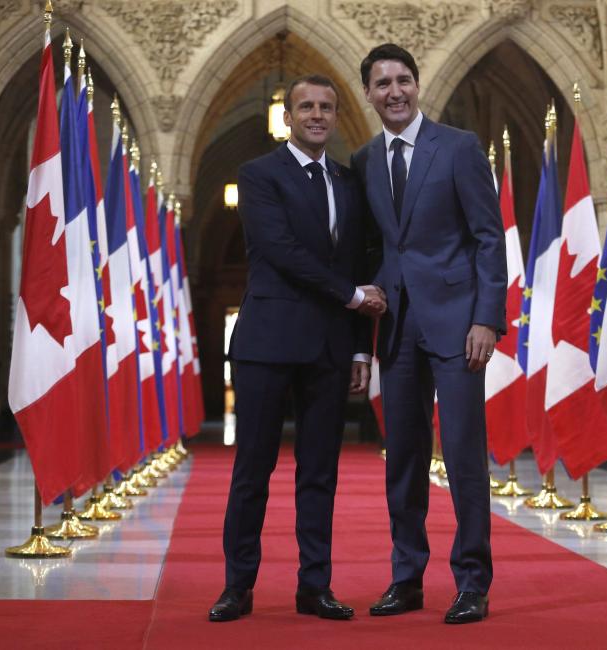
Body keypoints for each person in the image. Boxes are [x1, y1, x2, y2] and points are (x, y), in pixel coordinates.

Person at [210, 74, 386, 623]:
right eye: (306, 106)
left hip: (330, 348)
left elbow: (362, 261)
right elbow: (279, 249)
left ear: (336, 116)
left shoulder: (350, 183)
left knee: (320, 474)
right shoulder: (258, 175)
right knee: (252, 471)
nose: (316, 115)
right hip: (267, 341)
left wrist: (361, 350)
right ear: (288, 117)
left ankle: (315, 587)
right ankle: (237, 588)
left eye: (326, 107)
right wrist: (353, 295)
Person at [351, 44, 507, 624]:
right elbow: (370, 248)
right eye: (382, 83)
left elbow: (489, 238)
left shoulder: (459, 148)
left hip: (458, 324)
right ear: (367, 93)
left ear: (417, 86)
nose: (394, 92)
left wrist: (486, 318)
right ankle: (407, 578)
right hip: (395, 327)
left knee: (464, 455)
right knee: (404, 461)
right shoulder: (365, 160)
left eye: (403, 81)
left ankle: (472, 582)